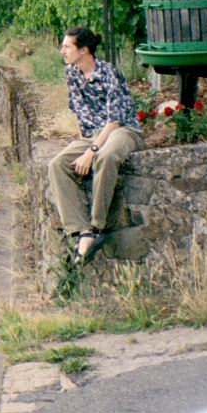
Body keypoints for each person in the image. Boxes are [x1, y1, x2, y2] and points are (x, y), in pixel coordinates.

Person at [47, 26, 144, 260]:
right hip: (93, 135)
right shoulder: (72, 73)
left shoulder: (109, 73)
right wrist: (81, 145)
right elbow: (80, 113)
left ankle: (97, 226)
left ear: (84, 50)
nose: (62, 51)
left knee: (106, 156)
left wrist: (90, 152)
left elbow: (114, 121)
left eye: (67, 46)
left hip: (122, 130)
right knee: (57, 164)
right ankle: (81, 230)